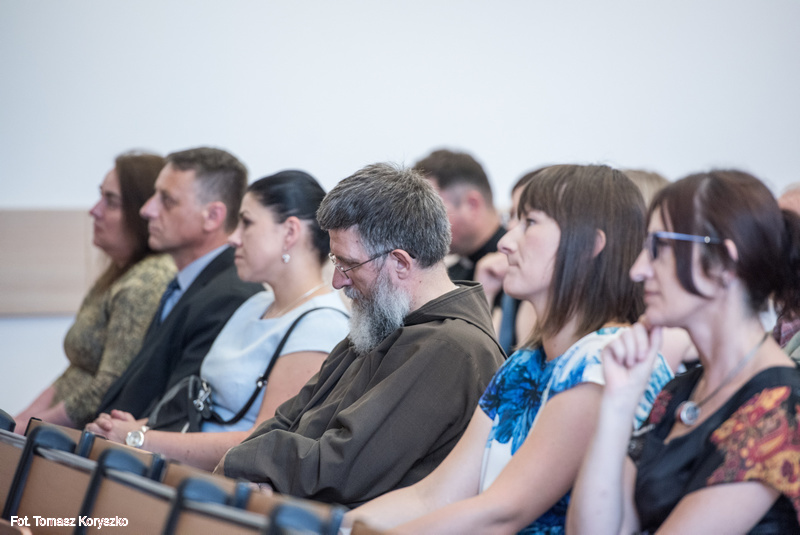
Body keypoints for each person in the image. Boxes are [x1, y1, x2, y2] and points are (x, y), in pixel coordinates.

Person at [345, 164, 673, 533]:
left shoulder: (608, 360)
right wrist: (335, 525)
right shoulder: (526, 362)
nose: (505, 241)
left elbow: (502, 512)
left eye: (529, 222)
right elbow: (434, 495)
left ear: (589, 247)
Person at [215, 162, 505, 508]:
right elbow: (287, 418)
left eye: (347, 264)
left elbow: (340, 469)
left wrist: (241, 461)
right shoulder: (383, 321)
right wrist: (249, 465)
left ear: (400, 262)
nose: (337, 281)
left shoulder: (453, 348)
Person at [568, 170, 800, 533]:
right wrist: (618, 402)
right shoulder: (680, 391)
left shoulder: (782, 407)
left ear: (722, 262)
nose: (637, 270)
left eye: (658, 247)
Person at [86, 171, 349, 470]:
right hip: (183, 469)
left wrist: (140, 439)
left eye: (246, 223)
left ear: (290, 232)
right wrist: (135, 428)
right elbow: (205, 411)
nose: (233, 238)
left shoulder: (321, 325)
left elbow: (262, 443)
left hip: (220, 485)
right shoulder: (254, 304)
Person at [91, 147, 263, 420]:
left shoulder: (230, 296)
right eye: (154, 196)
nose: (147, 210)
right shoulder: (187, 282)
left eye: (167, 200)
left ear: (212, 216)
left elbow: (175, 412)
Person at [13, 152, 176, 432]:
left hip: (79, 438)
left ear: (141, 212)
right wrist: (18, 422)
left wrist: (27, 428)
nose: (94, 210)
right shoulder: (119, 273)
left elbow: (108, 386)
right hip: (57, 431)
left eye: (110, 201)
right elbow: (75, 372)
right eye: (100, 196)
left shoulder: (146, 282)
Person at [413, 149, 504, 292]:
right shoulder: (452, 276)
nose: (419, 225)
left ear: (472, 205)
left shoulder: (518, 275)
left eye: (430, 211)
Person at [475, 169, 541, 354]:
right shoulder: (515, 298)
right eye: (512, 215)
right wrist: (485, 292)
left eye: (529, 221)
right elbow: (485, 362)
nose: (510, 227)